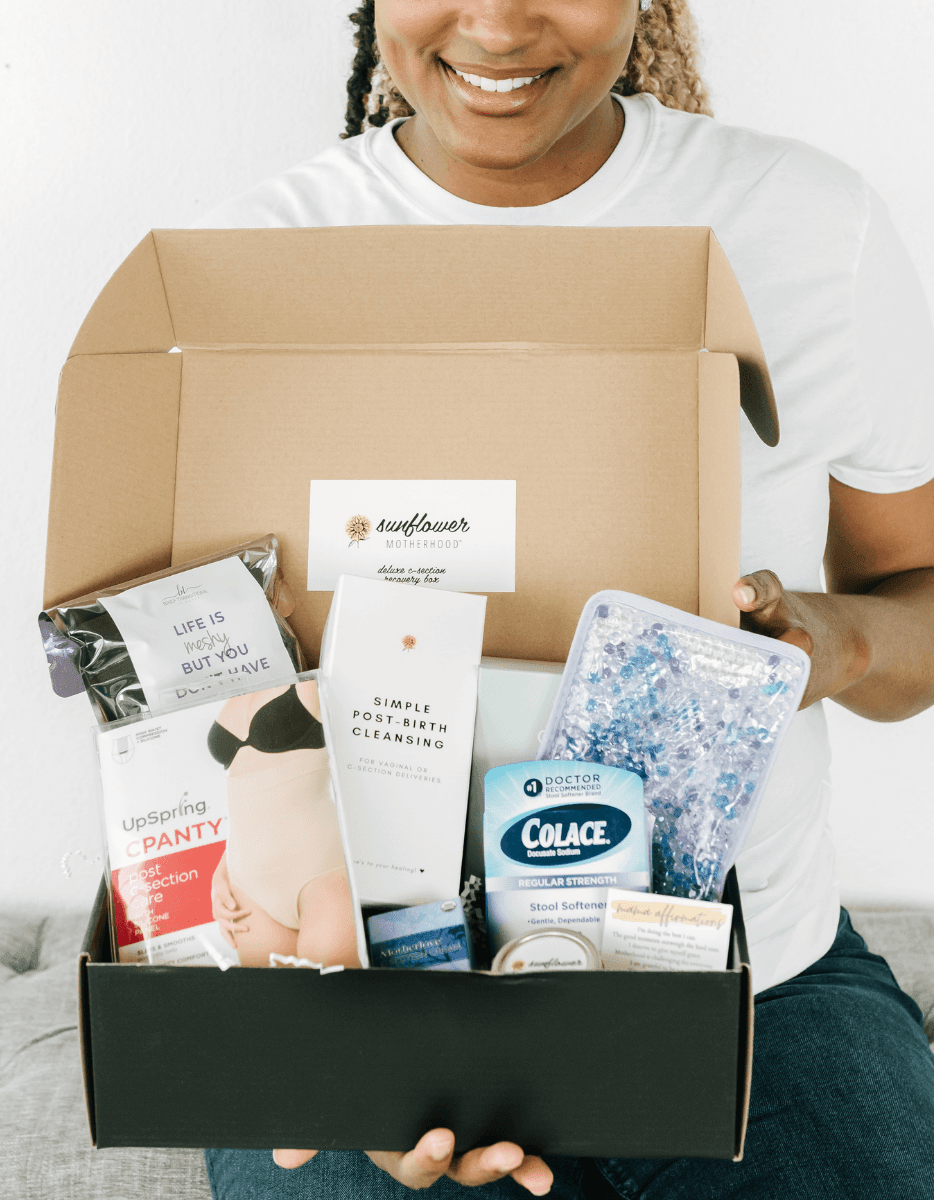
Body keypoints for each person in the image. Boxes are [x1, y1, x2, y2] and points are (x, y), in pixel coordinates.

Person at [199, 0, 934, 1195]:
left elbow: (917, 594)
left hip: (759, 983)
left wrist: (832, 643)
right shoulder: (246, 265)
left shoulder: (809, 226)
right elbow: (199, 690)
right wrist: (348, 1056)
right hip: (371, 985)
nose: (496, 23)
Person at [208, 680, 359, 970]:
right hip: (244, 884)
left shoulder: (307, 680)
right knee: (274, 1000)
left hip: (319, 874)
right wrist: (221, 874)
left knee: (337, 997)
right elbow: (253, 809)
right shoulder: (232, 681)